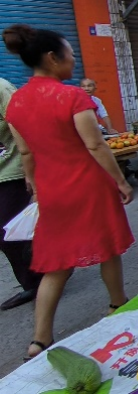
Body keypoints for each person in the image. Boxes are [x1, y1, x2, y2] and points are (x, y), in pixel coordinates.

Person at [2, 24, 135, 359]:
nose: (73, 61)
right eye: (70, 55)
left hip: (51, 190)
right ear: (52, 57)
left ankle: (39, 339)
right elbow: (95, 145)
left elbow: (26, 152)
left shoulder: (16, 102)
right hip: (88, 185)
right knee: (108, 248)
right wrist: (120, 181)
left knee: (56, 265)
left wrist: (34, 186)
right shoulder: (72, 96)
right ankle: (117, 303)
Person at [0, 77, 42, 311]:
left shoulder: (2, 89)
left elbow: (24, 124)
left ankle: (35, 281)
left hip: (13, 170)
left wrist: (31, 172)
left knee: (9, 232)